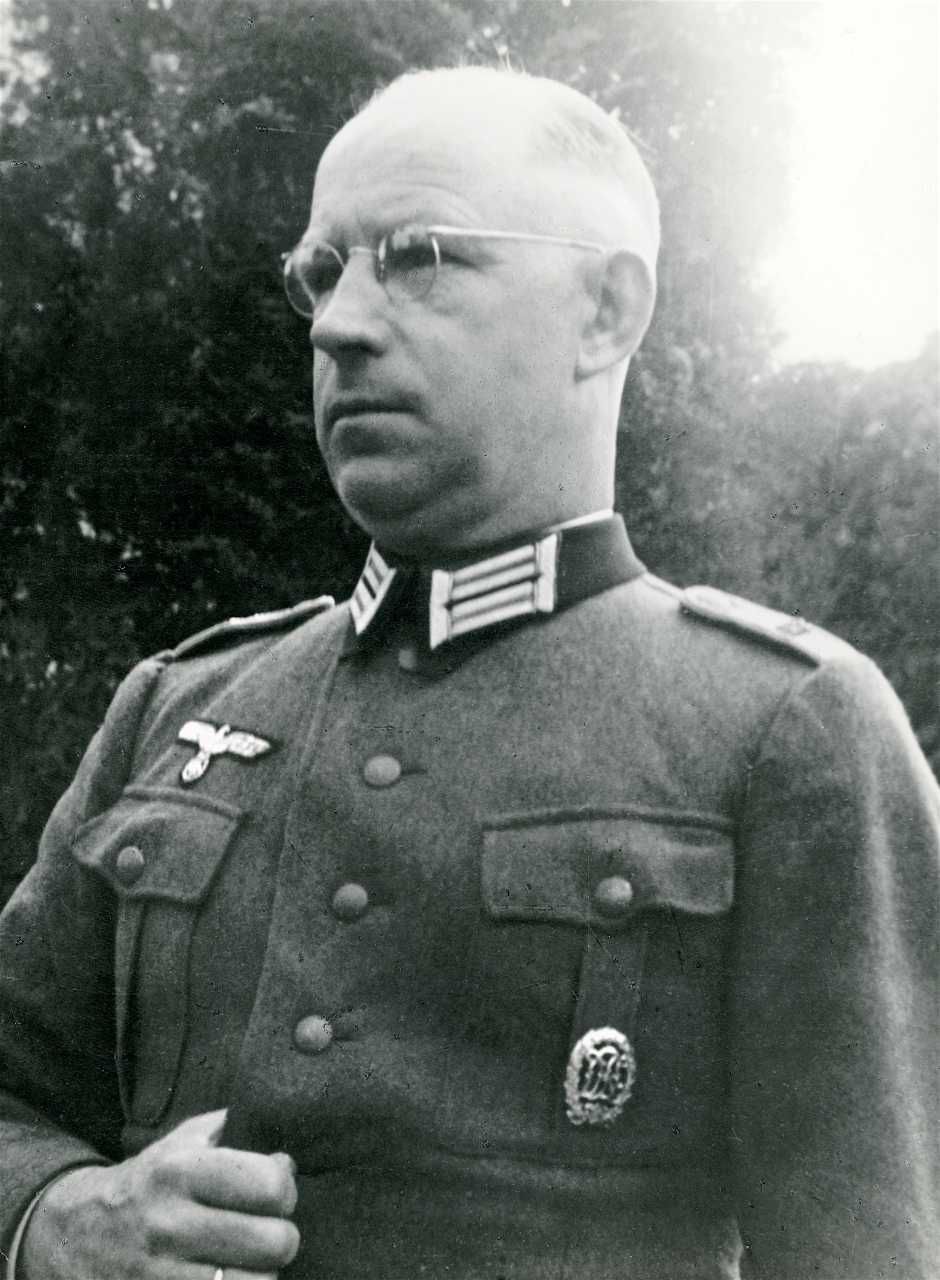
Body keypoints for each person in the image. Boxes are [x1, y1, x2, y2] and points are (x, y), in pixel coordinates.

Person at [0, 64, 938, 1280]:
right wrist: (55, 1215)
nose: (336, 323)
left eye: (422, 256)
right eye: (321, 272)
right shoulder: (178, 706)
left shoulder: (786, 724)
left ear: (604, 311)